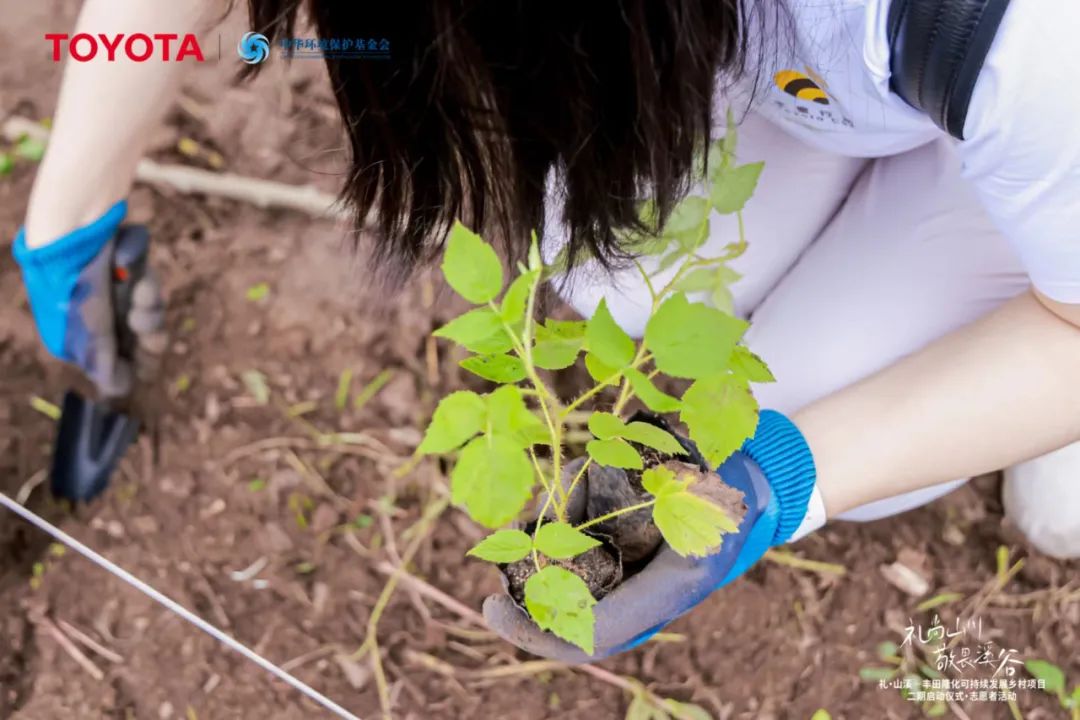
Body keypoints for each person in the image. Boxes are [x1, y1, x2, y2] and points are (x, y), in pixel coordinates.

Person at [13, 0, 1080, 663]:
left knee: (803, 408)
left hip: (1023, 109)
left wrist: (778, 482)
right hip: (828, 68)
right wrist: (69, 216)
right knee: (607, 258)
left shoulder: (1039, 40)